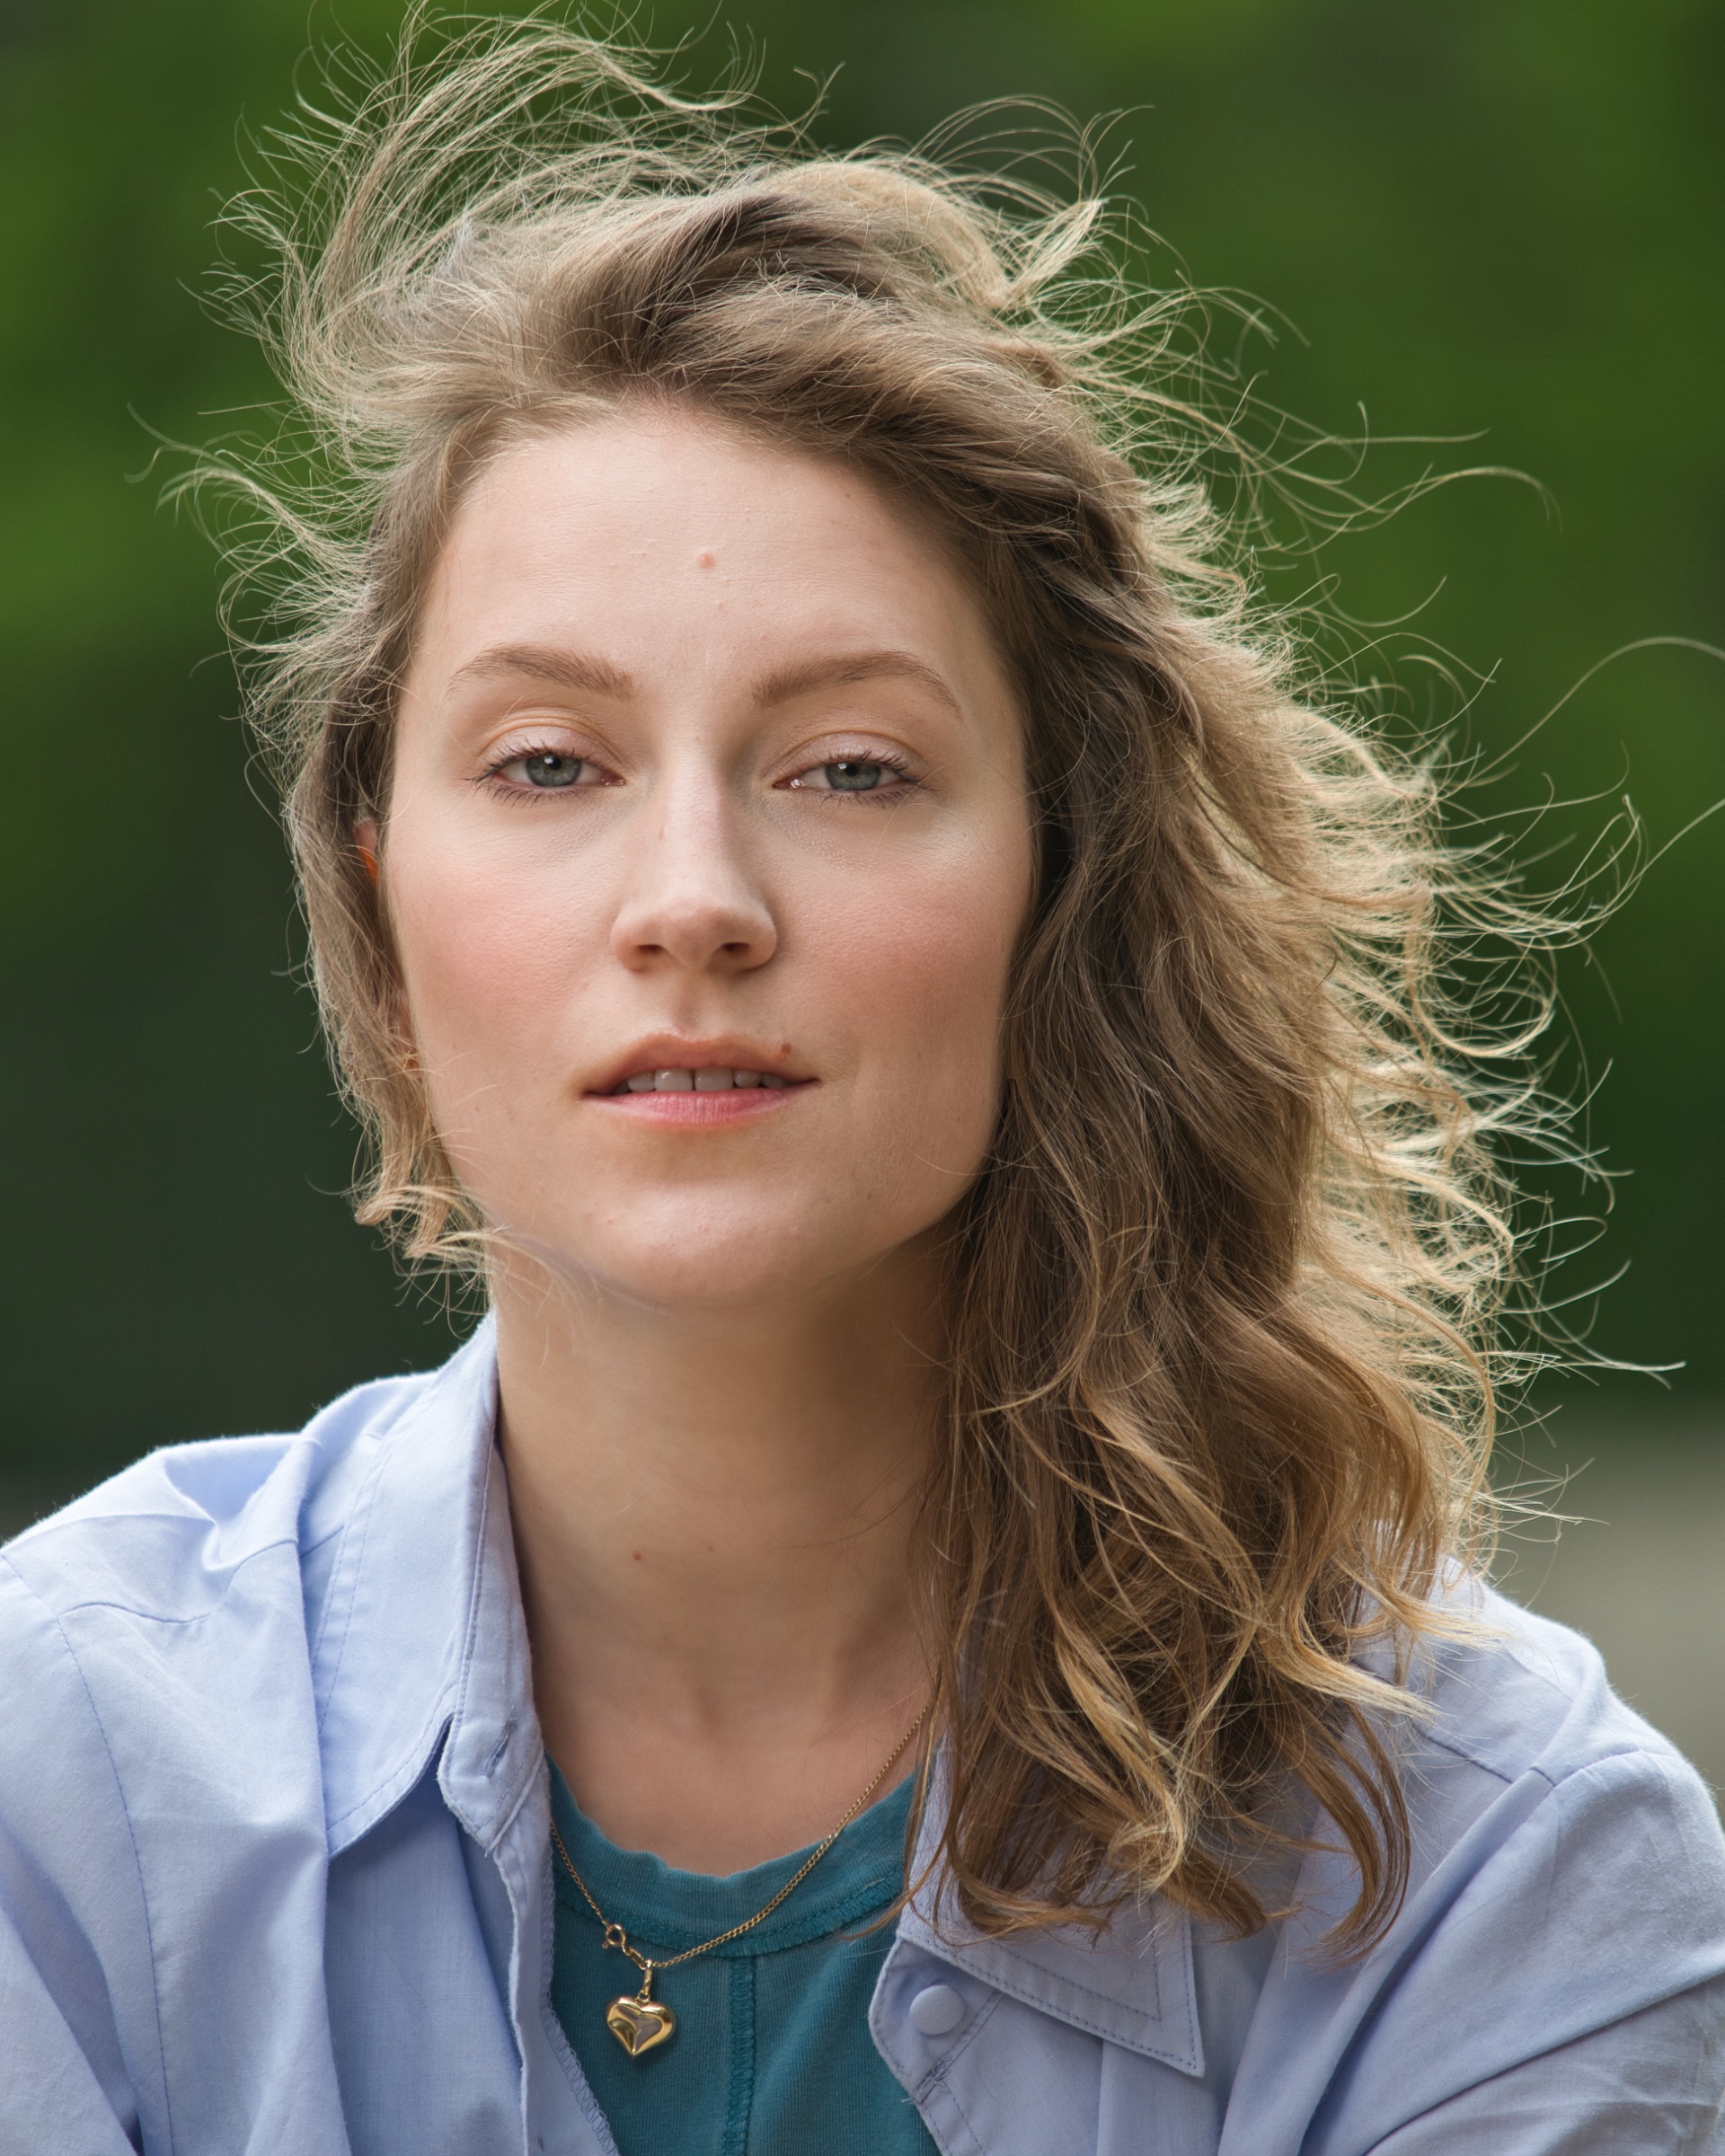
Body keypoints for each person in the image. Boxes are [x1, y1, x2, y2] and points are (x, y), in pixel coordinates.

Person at [4, 20, 1722, 2155]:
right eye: (549, 763)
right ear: (378, 889)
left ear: (1060, 880)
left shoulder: (1494, 1876)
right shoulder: (61, 1784)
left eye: (850, 768)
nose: (694, 899)